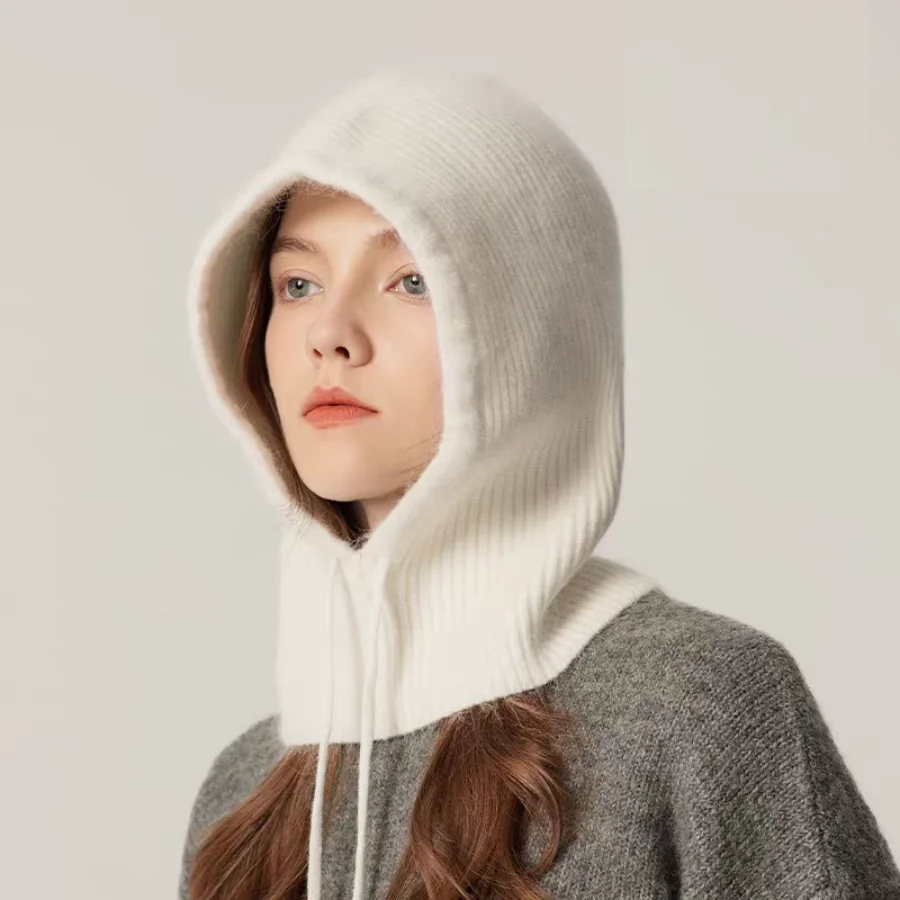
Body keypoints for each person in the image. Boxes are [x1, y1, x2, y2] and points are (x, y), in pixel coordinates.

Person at [179, 67, 900, 900]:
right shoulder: (242, 789)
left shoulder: (696, 703)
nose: (329, 334)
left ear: (531, 327)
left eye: (412, 280)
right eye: (298, 284)